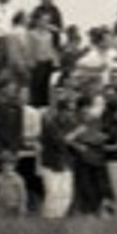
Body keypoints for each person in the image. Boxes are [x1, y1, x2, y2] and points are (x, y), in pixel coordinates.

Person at [38, 89, 79, 217]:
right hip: (51, 164)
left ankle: (58, 222)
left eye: (72, 111)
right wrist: (78, 132)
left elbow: (73, 143)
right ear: (61, 111)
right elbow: (61, 141)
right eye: (68, 111)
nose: (70, 114)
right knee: (53, 195)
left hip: (67, 162)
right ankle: (48, 222)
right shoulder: (51, 123)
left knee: (66, 194)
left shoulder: (71, 123)